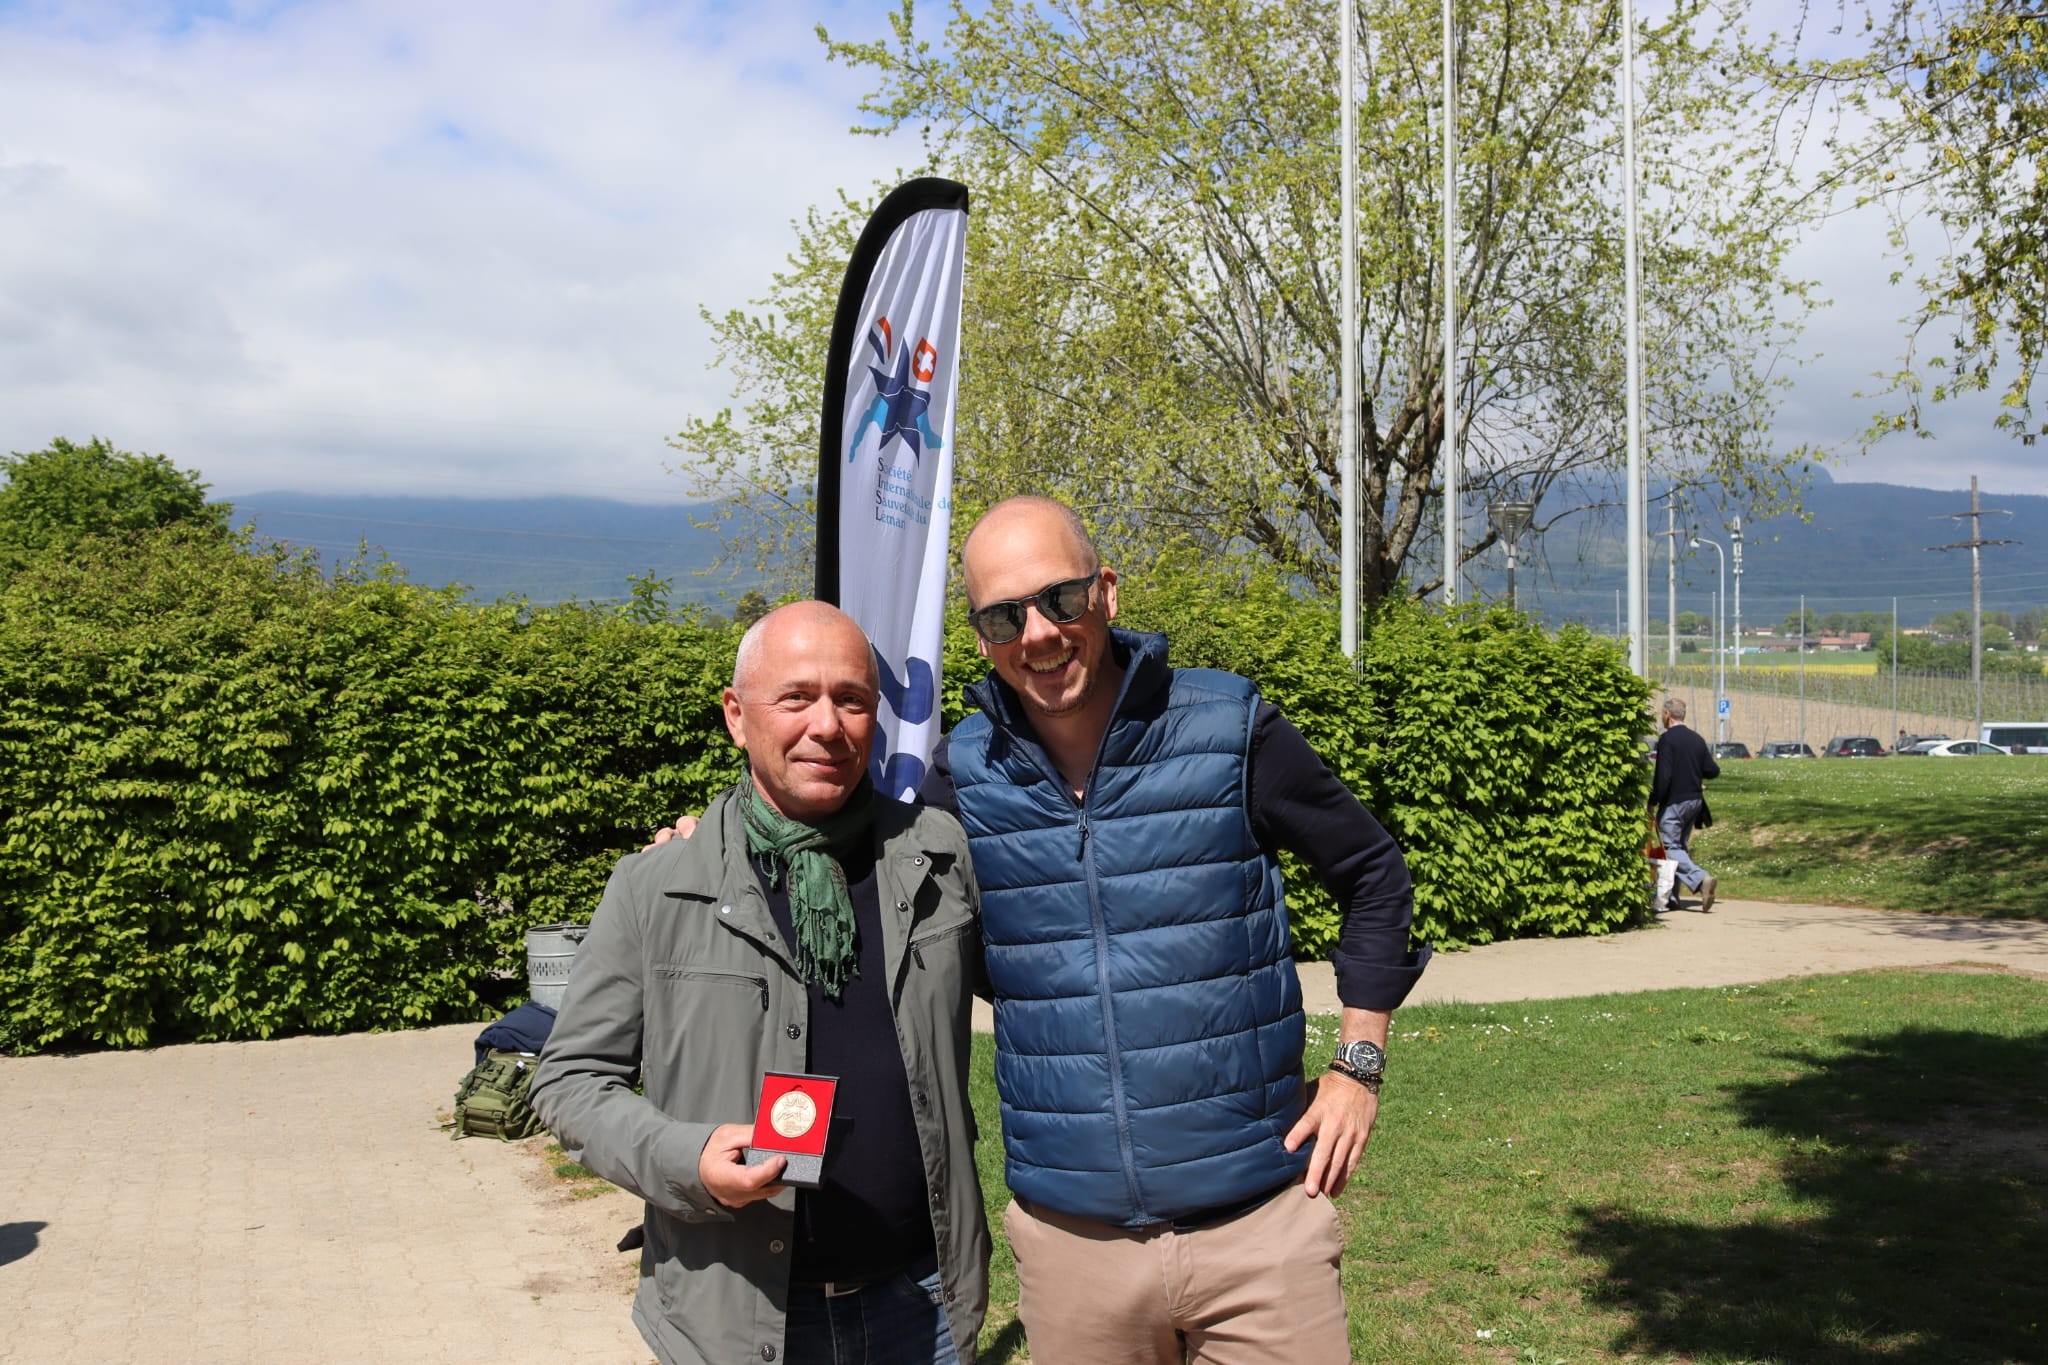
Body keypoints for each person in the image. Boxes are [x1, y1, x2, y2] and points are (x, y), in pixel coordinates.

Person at [926, 496, 1429, 1364]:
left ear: (1106, 591)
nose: (1038, 634)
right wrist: (703, 844)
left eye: (1060, 599)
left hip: (1259, 1232)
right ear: (980, 638)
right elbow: (856, 878)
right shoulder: (960, 773)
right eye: (1004, 616)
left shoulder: (1228, 727)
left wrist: (1359, 1066)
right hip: (1074, 1251)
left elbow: (1373, 873)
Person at [530, 601, 989, 1365]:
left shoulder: (938, 857)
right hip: (738, 1318)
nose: (827, 724)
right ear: (737, 716)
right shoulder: (658, 886)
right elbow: (570, 1080)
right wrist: (687, 1157)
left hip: (922, 1307)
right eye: (796, 696)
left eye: (851, 699)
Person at [1650, 695, 1720, 912]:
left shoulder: (1667, 740)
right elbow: (1712, 770)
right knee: (1679, 847)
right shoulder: (1696, 739)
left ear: (1667, 715)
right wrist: (1693, 771)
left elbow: (1663, 777)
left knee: (1669, 848)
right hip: (1695, 802)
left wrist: (1653, 800)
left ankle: (1700, 879)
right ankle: (1672, 898)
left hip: (1675, 801)